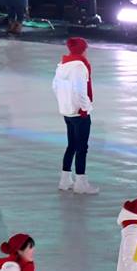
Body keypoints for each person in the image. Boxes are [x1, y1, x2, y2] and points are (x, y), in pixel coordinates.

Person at [53, 37, 98, 194]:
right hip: (79, 112)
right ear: (82, 49)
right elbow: (80, 90)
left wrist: (64, 103)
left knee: (72, 145)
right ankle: (81, 182)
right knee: (82, 147)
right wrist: (85, 108)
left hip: (67, 111)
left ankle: (65, 179)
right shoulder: (79, 67)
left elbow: (55, 86)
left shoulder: (62, 65)